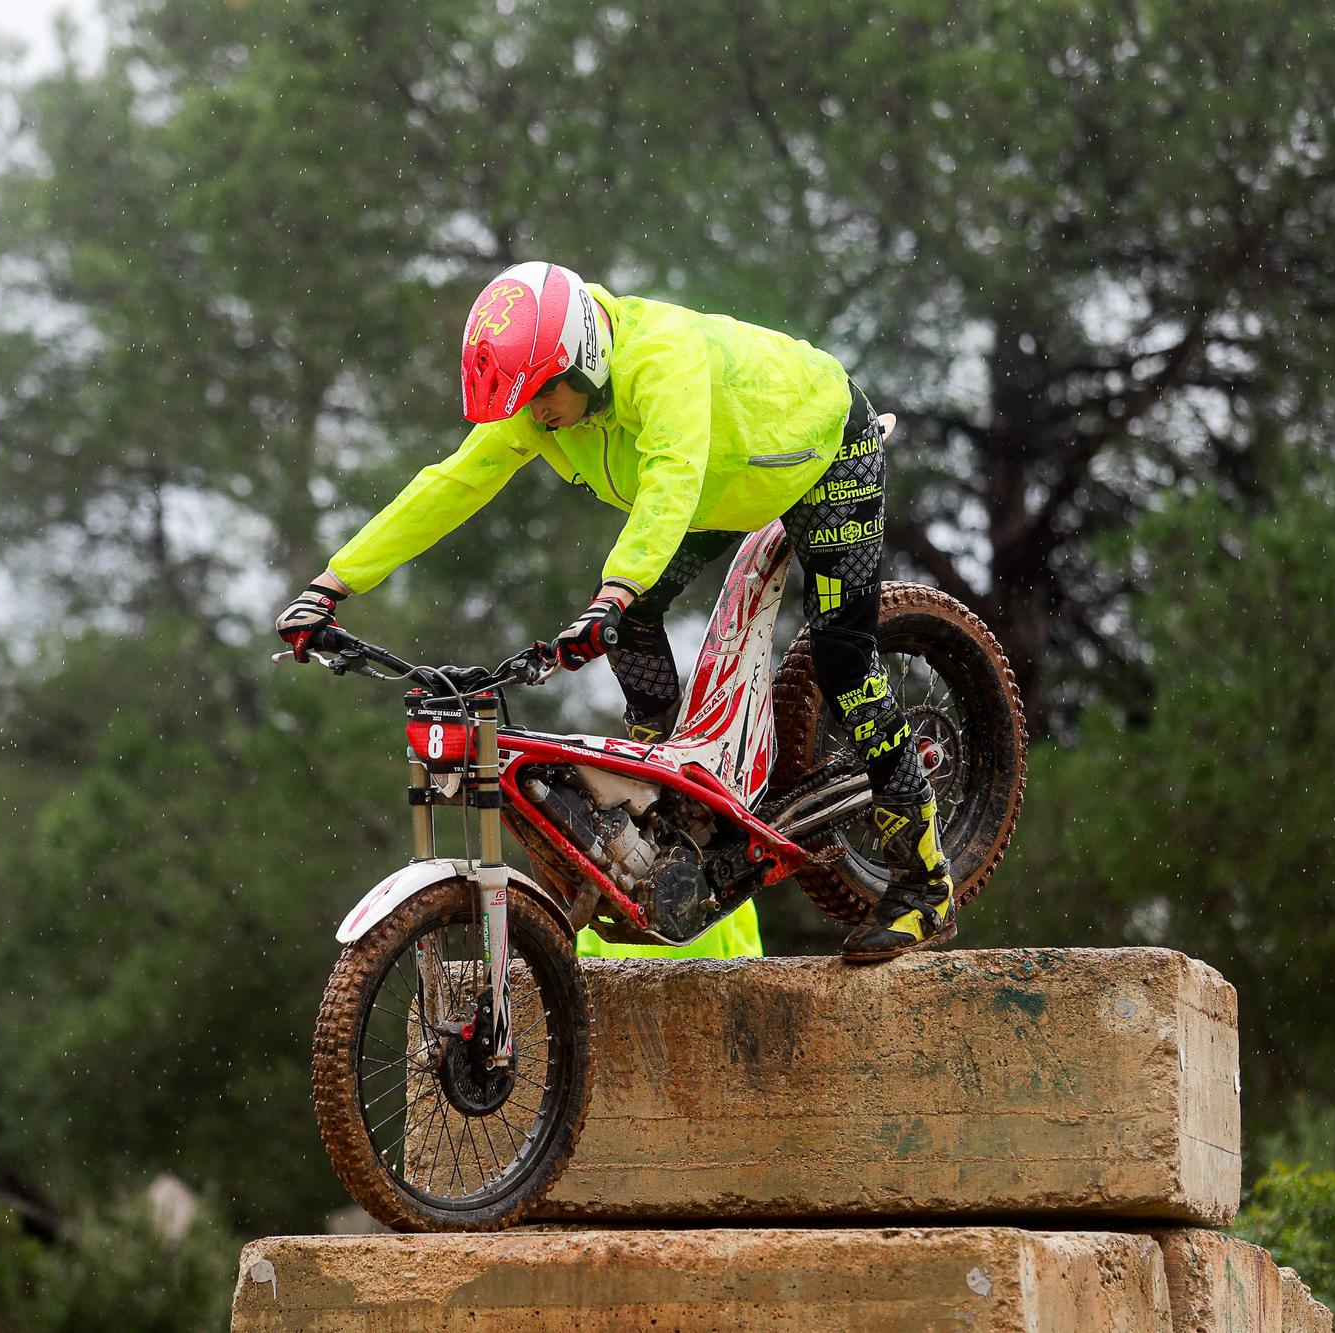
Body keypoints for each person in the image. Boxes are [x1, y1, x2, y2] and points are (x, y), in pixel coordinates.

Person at [276, 262, 951, 961]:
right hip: (722, 484)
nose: (535, 415)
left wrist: (615, 588)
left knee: (842, 655)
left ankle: (926, 881)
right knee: (627, 620)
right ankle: (659, 802)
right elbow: (448, 485)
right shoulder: (538, 408)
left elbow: (671, 477)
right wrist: (333, 584)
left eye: (541, 395)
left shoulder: (662, 356)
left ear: (584, 359)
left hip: (822, 453)